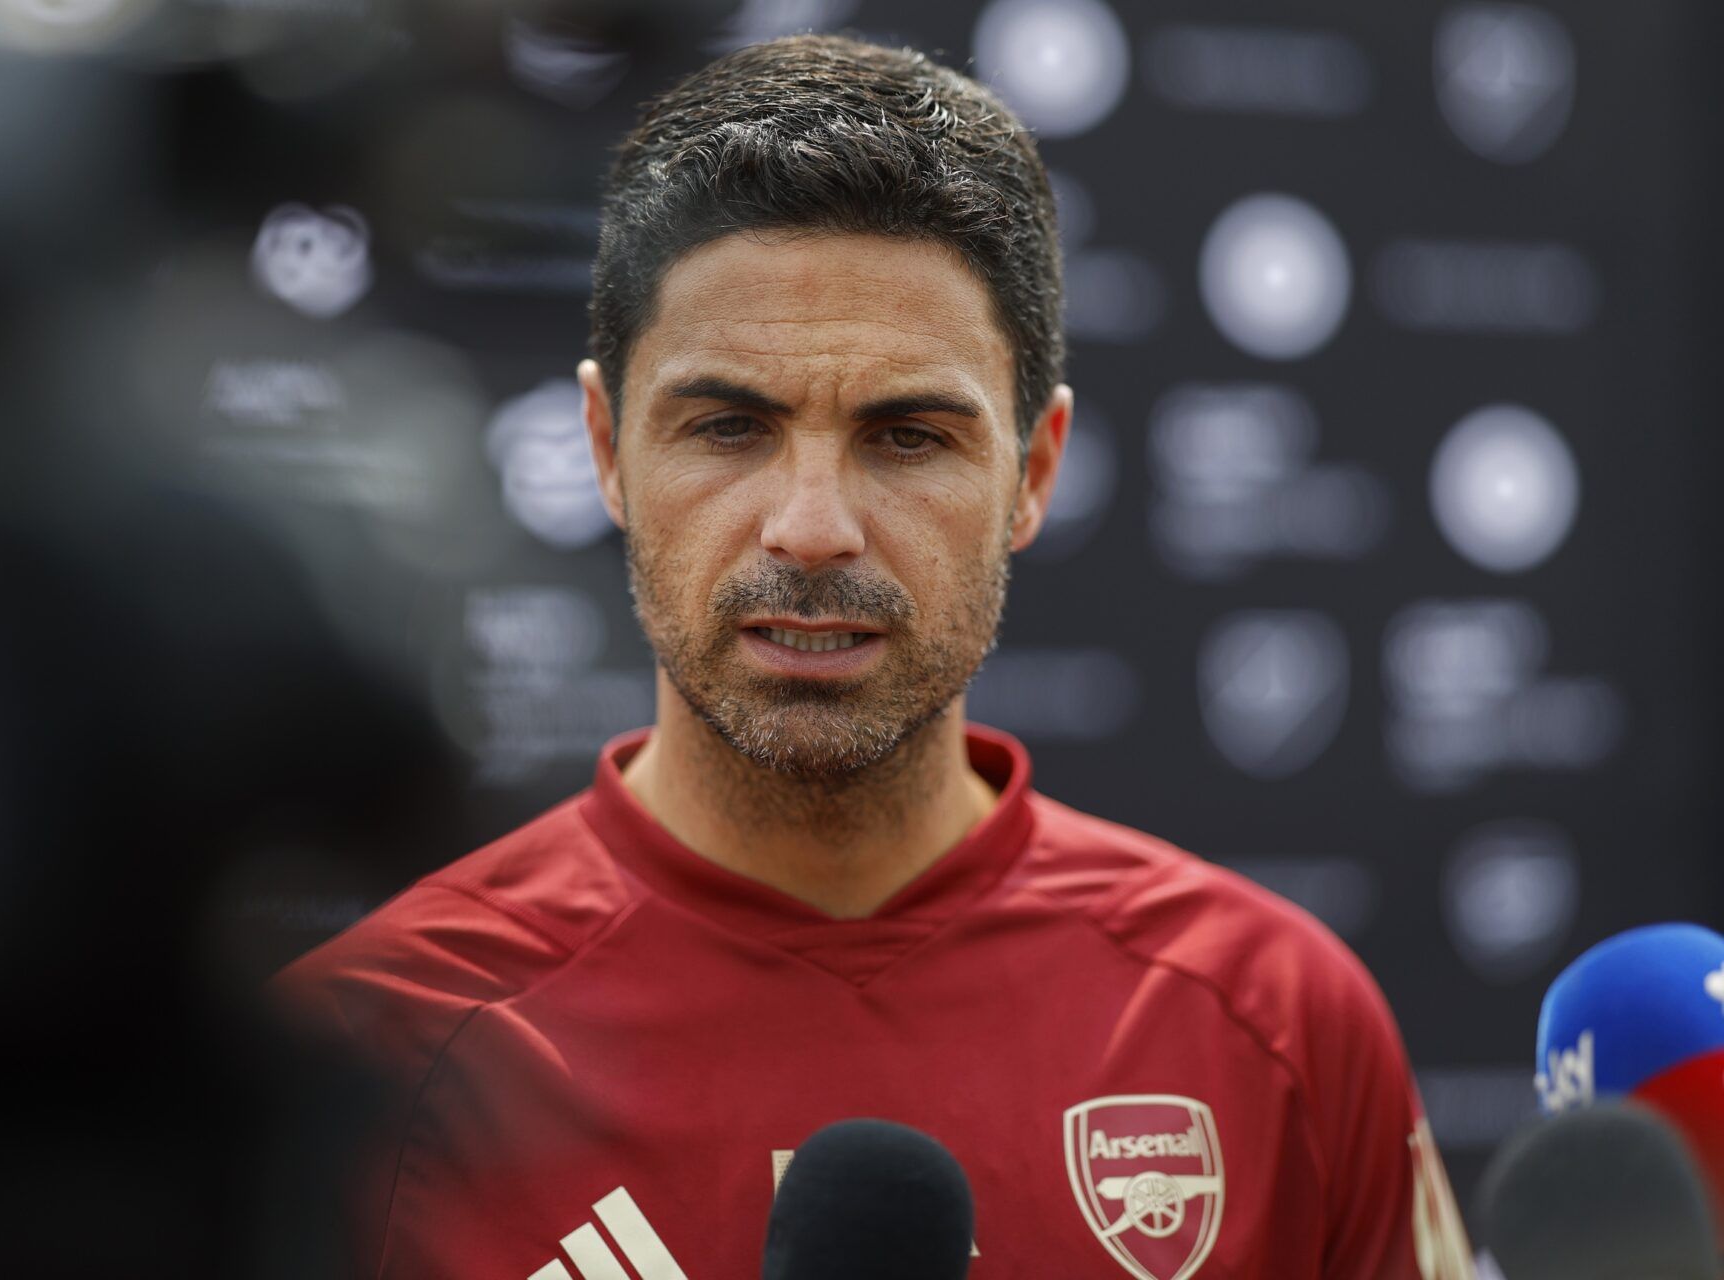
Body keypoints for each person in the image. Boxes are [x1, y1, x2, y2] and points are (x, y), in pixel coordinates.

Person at [275, 34, 1473, 1280]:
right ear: (606, 450)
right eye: (730, 425)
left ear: (1035, 471)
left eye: (907, 437)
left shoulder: (1276, 1023)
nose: (811, 526)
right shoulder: (365, 1058)